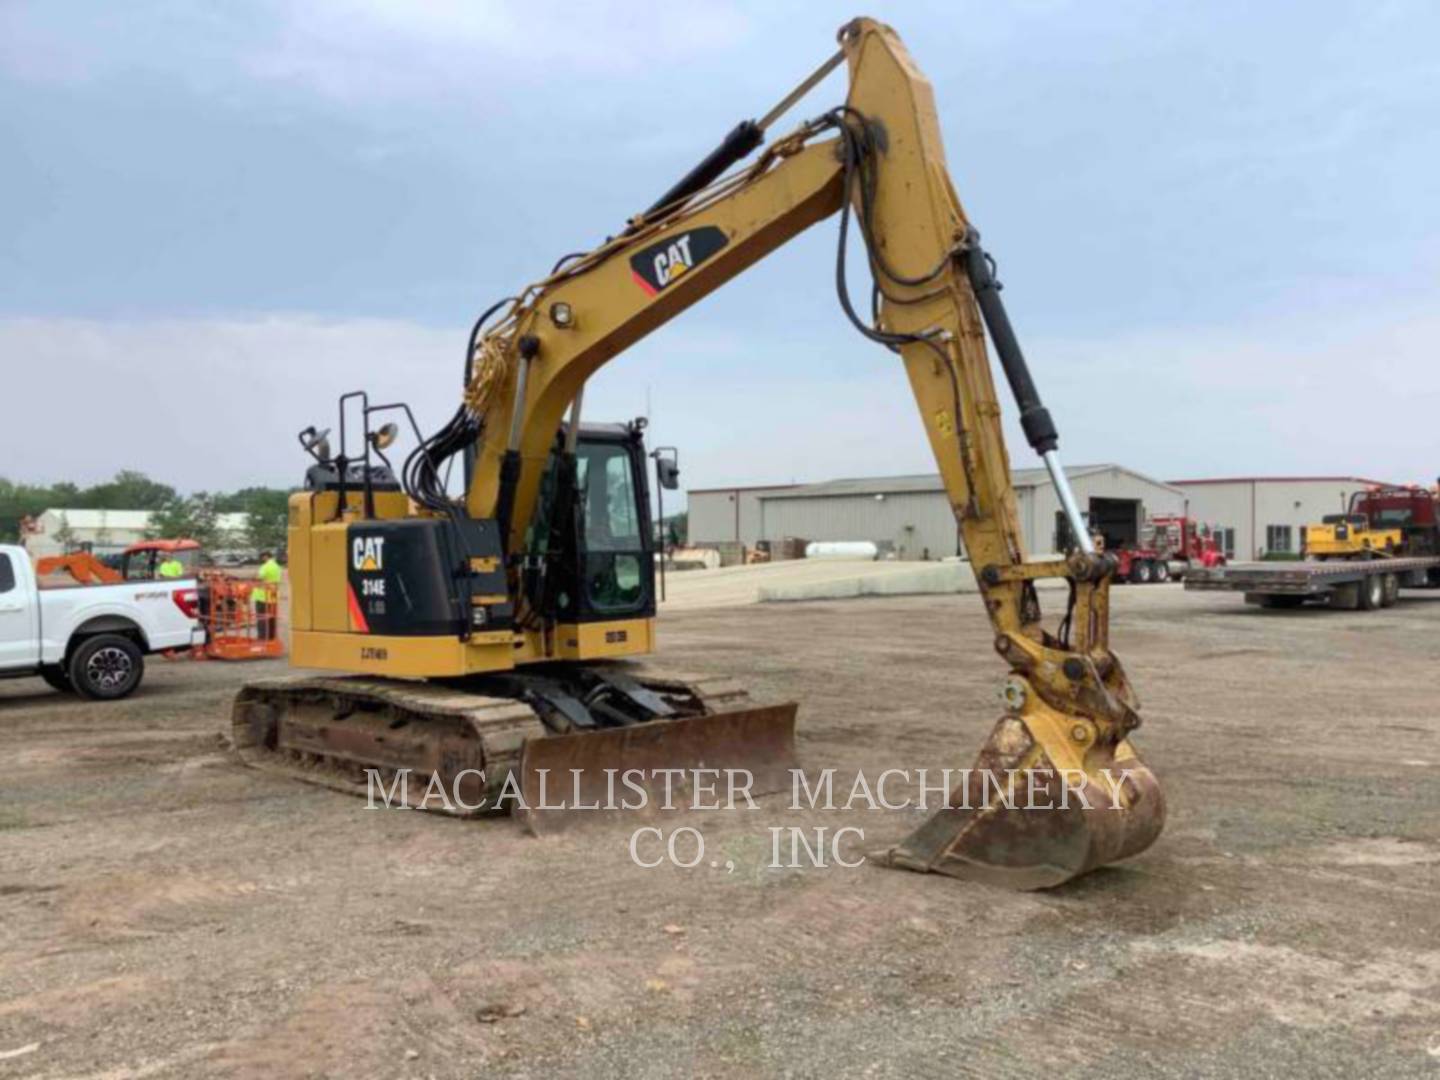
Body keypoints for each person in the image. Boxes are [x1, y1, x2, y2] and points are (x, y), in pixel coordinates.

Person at [254, 551, 283, 641]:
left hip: (262, 596)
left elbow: (259, 577)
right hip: (273, 595)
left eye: (262, 557)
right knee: (271, 617)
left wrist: (255, 577)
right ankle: (271, 636)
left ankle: (262, 638)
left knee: (261, 617)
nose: (262, 559)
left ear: (266, 556)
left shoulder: (265, 566)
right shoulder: (277, 567)